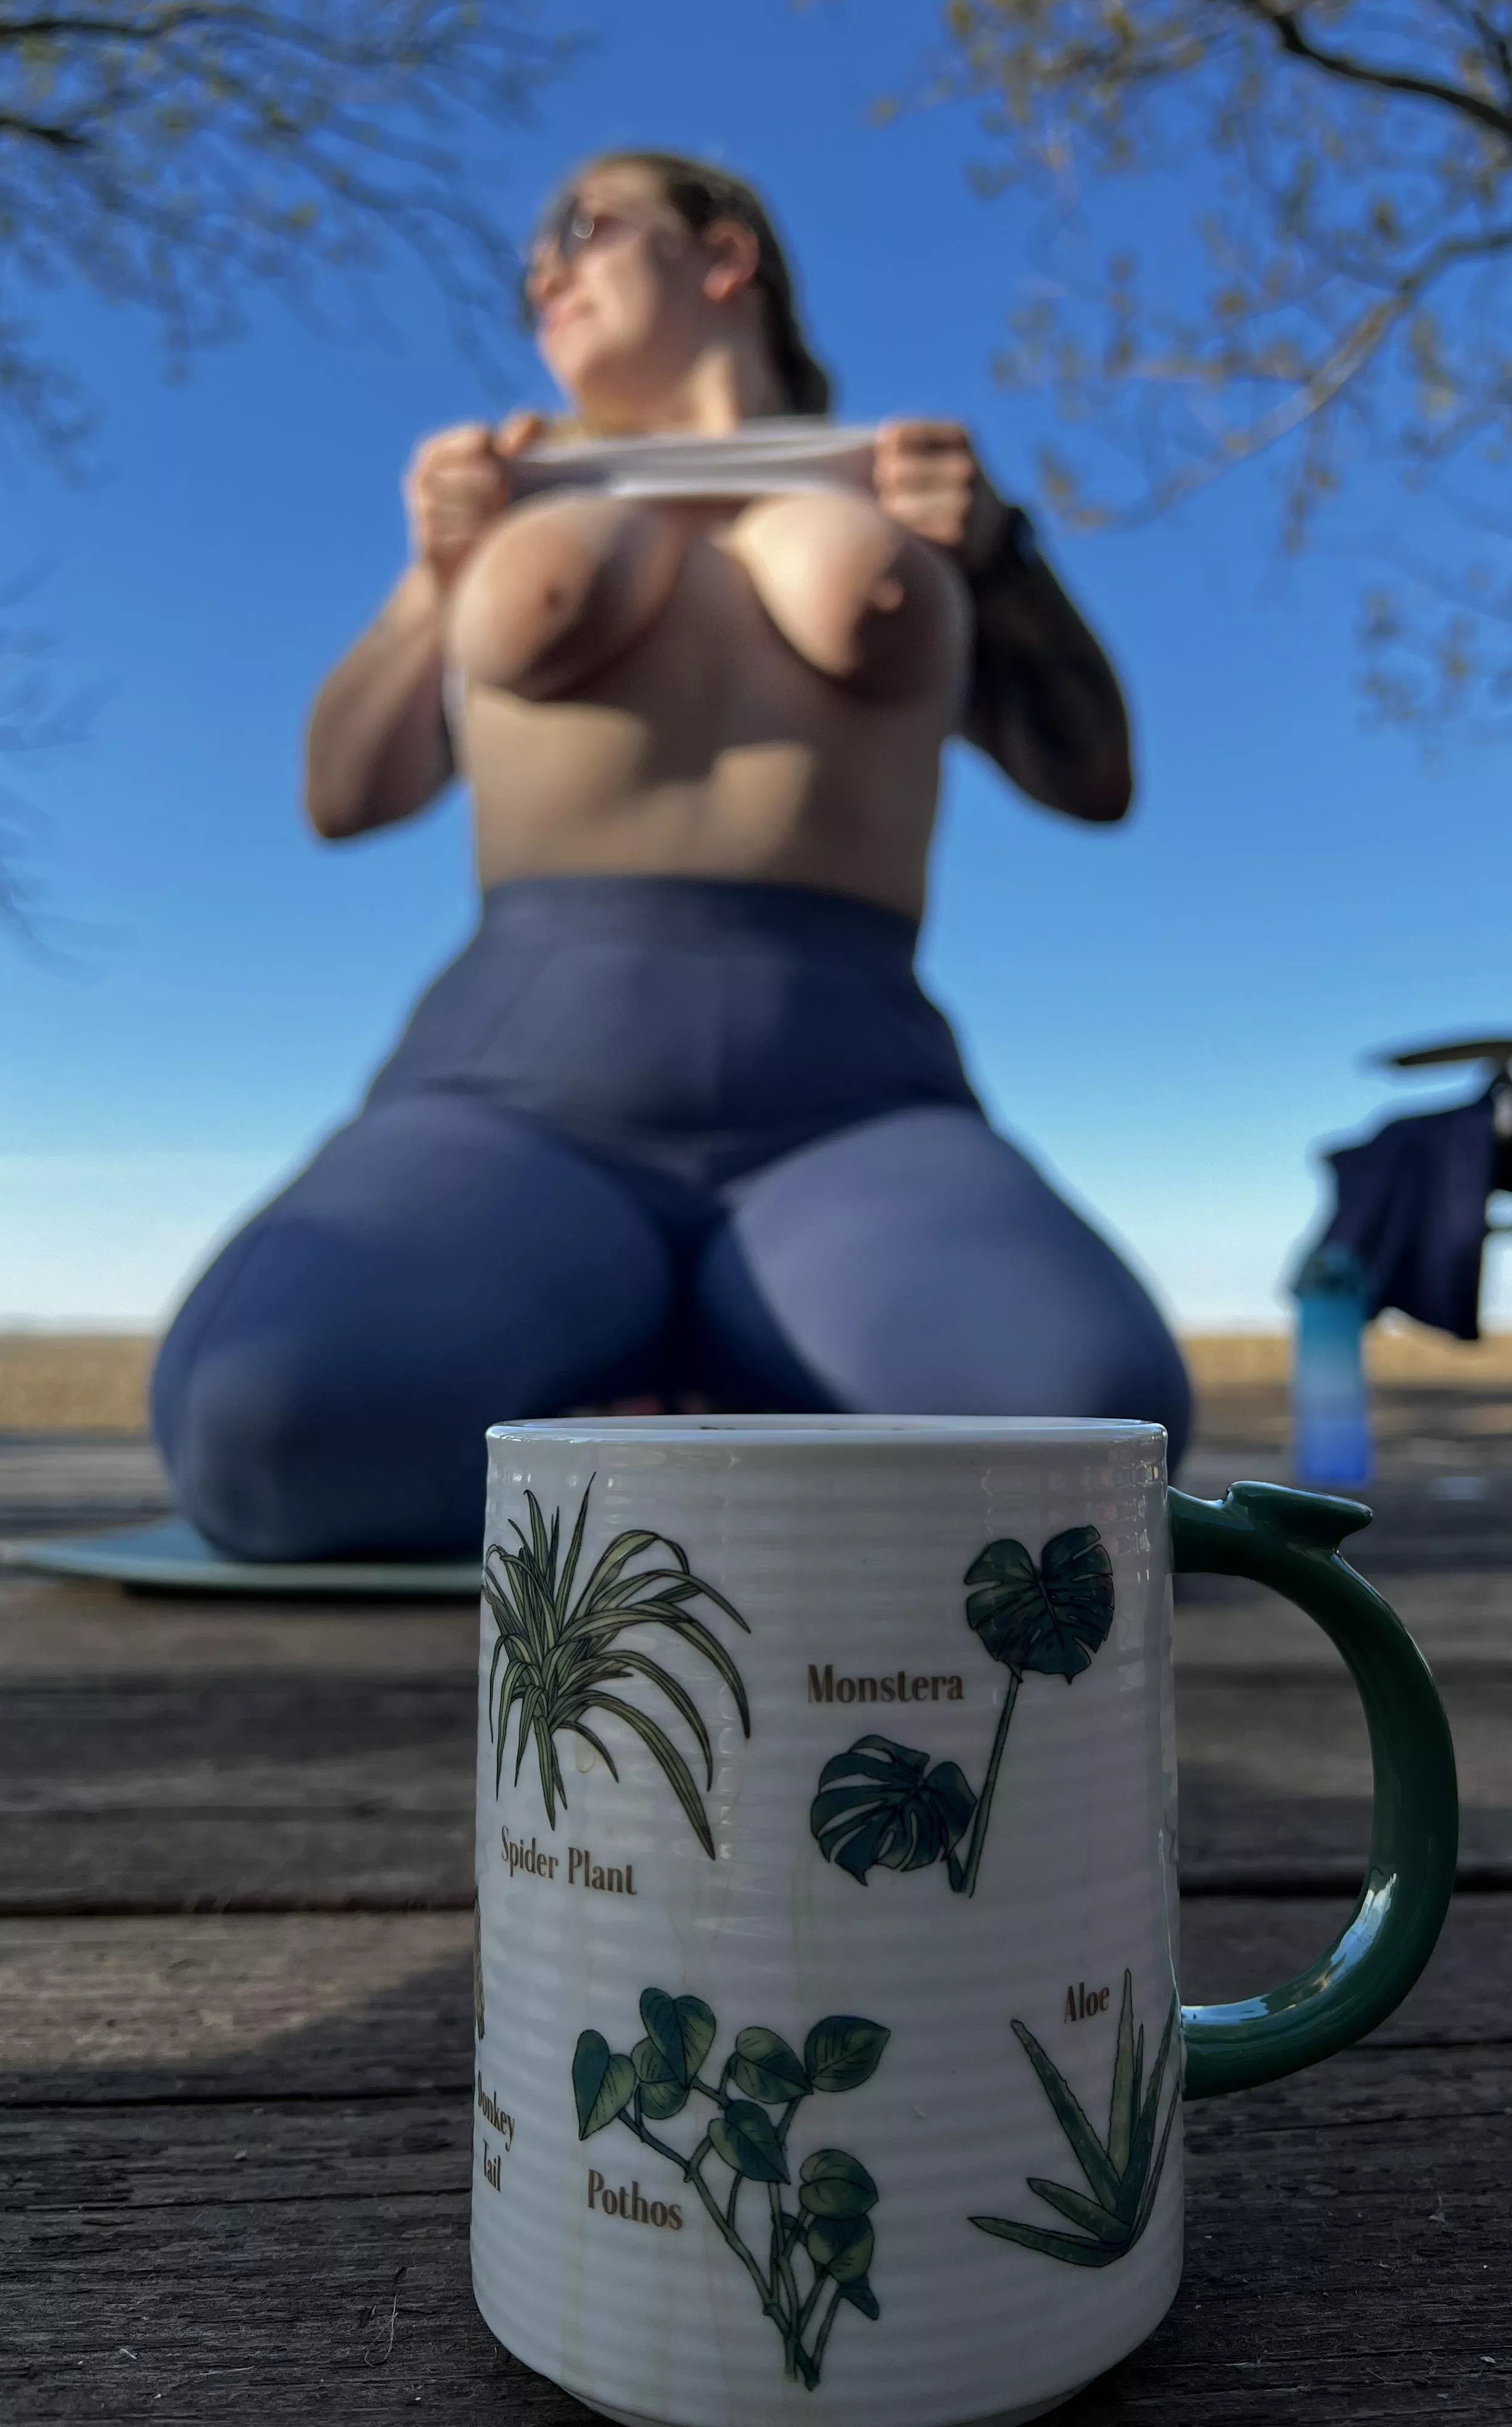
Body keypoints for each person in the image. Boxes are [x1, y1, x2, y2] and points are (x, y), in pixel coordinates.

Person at [151, 150, 1192, 1560]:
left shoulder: (912, 501)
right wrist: (431, 581)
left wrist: (1002, 554)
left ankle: (728, 1366)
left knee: (1086, 1437)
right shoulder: (512, 501)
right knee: (271, 1430)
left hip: (856, 1112)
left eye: (580, 228)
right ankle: (639, 1367)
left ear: (723, 257)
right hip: (515, 1101)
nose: (543, 273)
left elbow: (1096, 780)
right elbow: (344, 795)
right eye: (530, 259)